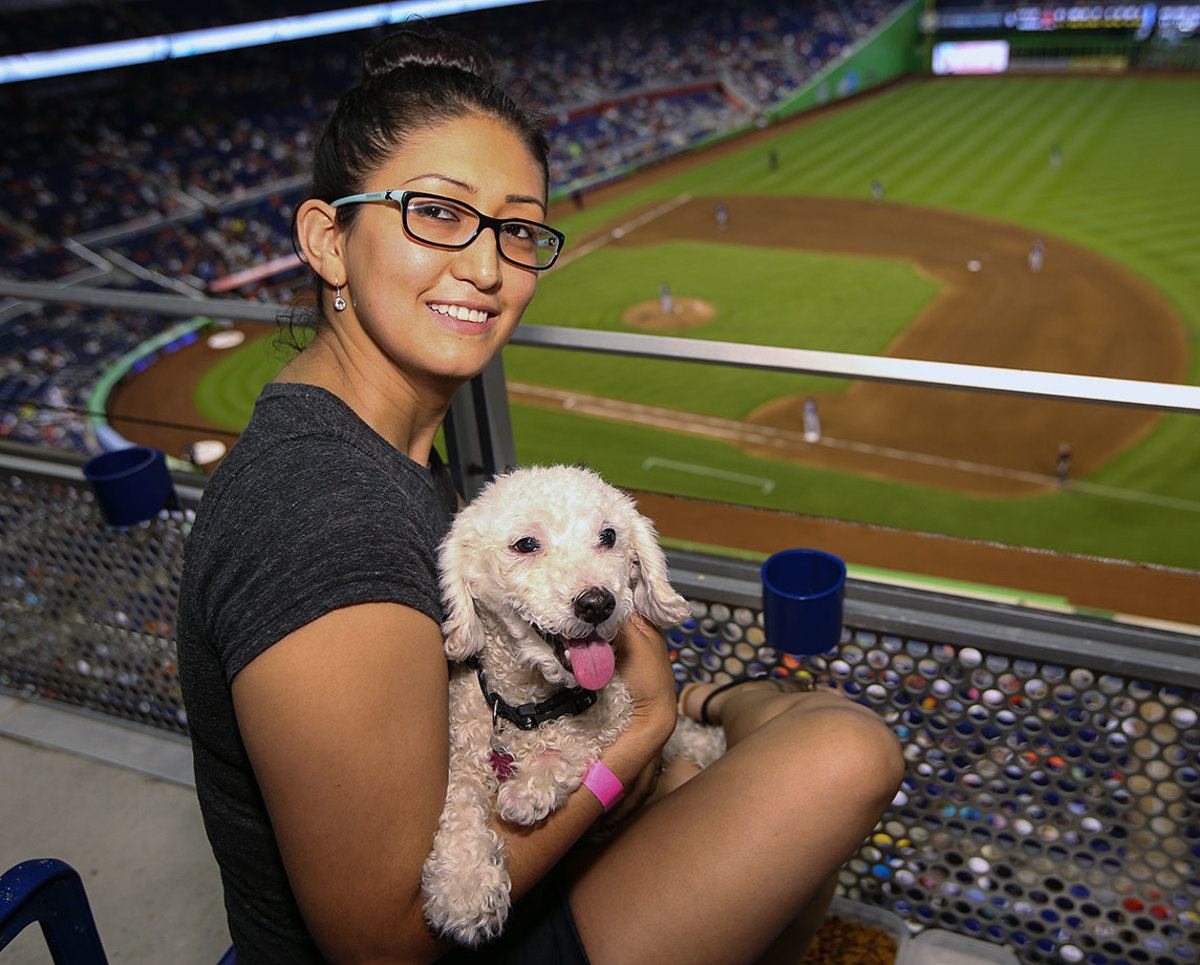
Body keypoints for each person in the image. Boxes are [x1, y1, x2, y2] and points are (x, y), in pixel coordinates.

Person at [177, 26, 904, 965]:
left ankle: (716, 701)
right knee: (845, 750)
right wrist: (635, 740)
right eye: (437, 212)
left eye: (516, 227)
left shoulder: (357, 443)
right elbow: (384, 944)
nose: (486, 266)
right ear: (327, 239)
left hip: (491, 836)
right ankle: (710, 703)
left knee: (779, 765)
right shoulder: (324, 523)